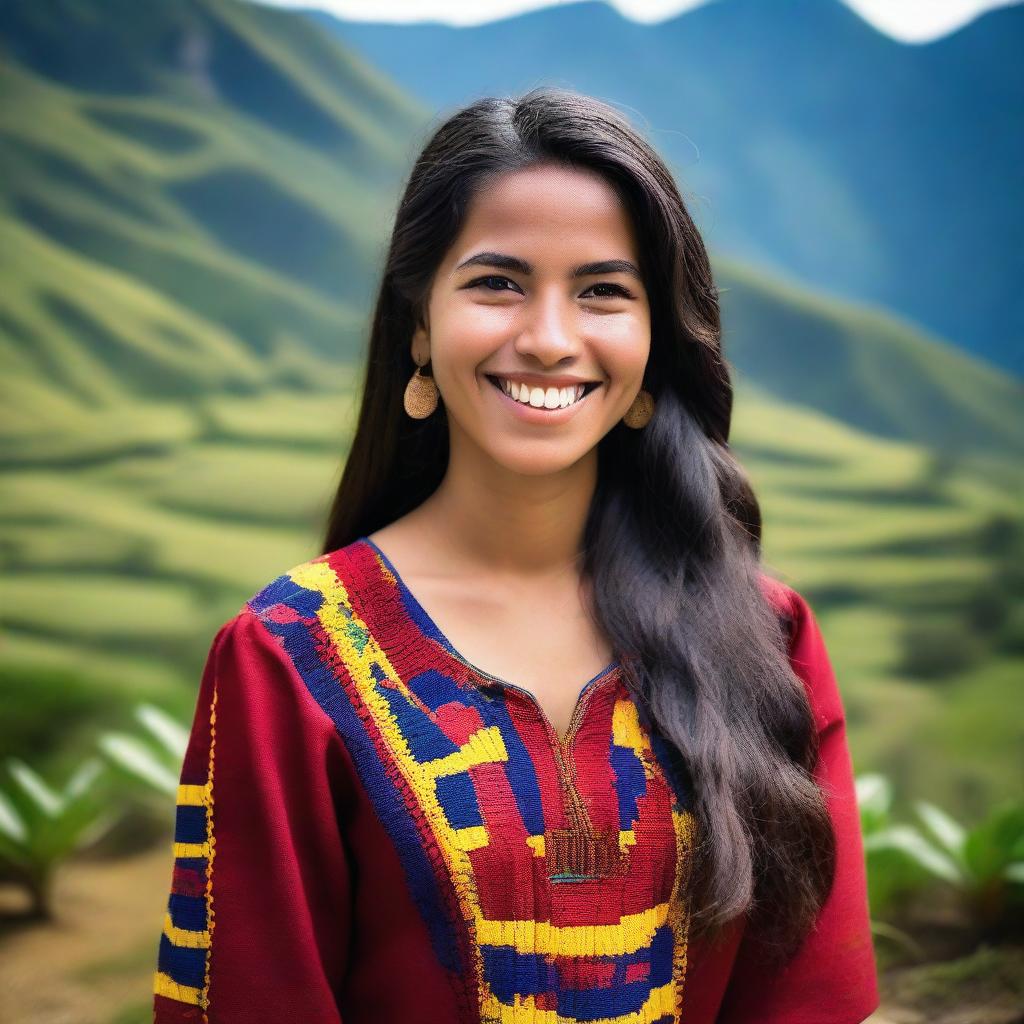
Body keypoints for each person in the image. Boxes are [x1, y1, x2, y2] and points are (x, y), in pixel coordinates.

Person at [151, 87, 879, 1023]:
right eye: (497, 282)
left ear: (656, 344)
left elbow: (806, 1004)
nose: (547, 339)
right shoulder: (288, 656)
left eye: (603, 291)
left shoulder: (767, 639)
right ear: (419, 323)